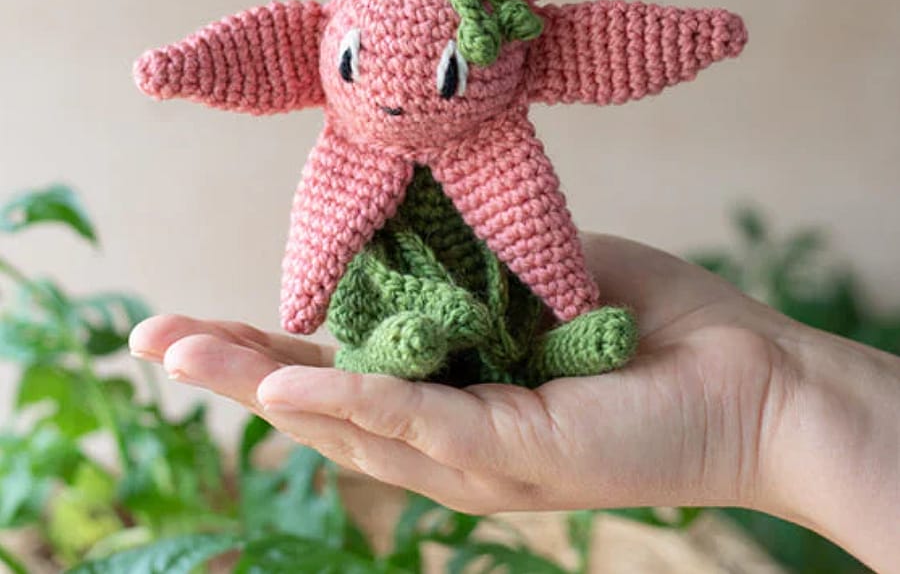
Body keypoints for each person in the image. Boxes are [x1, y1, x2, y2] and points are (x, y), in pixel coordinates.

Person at [129, 234, 900, 573]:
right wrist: (768, 403)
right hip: (403, 321)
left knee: (553, 331)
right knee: (391, 345)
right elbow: (322, 258)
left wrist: (763, 406)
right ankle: (396, 351)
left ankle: (542, 349)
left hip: (512, 330)